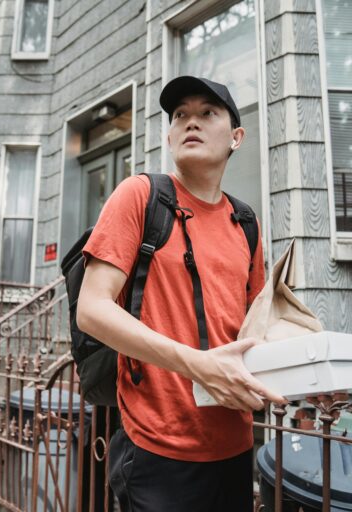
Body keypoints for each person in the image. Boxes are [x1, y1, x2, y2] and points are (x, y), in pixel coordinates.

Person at [77, 76, 286, 511]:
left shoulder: (246, 223)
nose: (191, 122)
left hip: (234, 447)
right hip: (156, 451)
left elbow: (256, 328)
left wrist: (311, 373)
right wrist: (199, 367)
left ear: (236, 137)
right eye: (180, 116)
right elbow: (92, 310)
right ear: (169, 135)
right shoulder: (140, 196)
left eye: (208, 113)